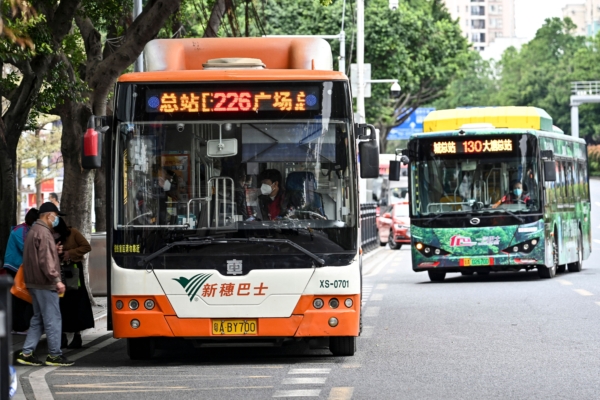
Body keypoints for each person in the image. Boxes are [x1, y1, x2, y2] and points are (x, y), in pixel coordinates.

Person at [16, 202, 74, 367]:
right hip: (45, 283)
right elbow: (45, 261)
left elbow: (38, 256)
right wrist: (57, 280)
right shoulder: (45, 233)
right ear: (49, 216)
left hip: (33, 282)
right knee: (53, 319)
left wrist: (53, 251)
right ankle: (54, 355)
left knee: (38, 318)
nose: (56, 220)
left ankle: (27, 353)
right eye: (55, 216)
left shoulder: (33, 231)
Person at [53, 218, 93, 349]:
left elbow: (86, 246)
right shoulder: (49, 236)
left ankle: (77, 336)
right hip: (57, 271)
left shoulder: (73, 233)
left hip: (73, 270)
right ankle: (62, 336)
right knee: (61, 304)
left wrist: (69, 253)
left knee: (76, 302)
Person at [3, 208, 39, 333]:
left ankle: (20, 325)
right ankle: (18, 327)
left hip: (20, 267)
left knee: (21, 296)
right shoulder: (20, 231)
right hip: (13, 267)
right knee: (18, 297)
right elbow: (26, 249)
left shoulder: (27, 229)